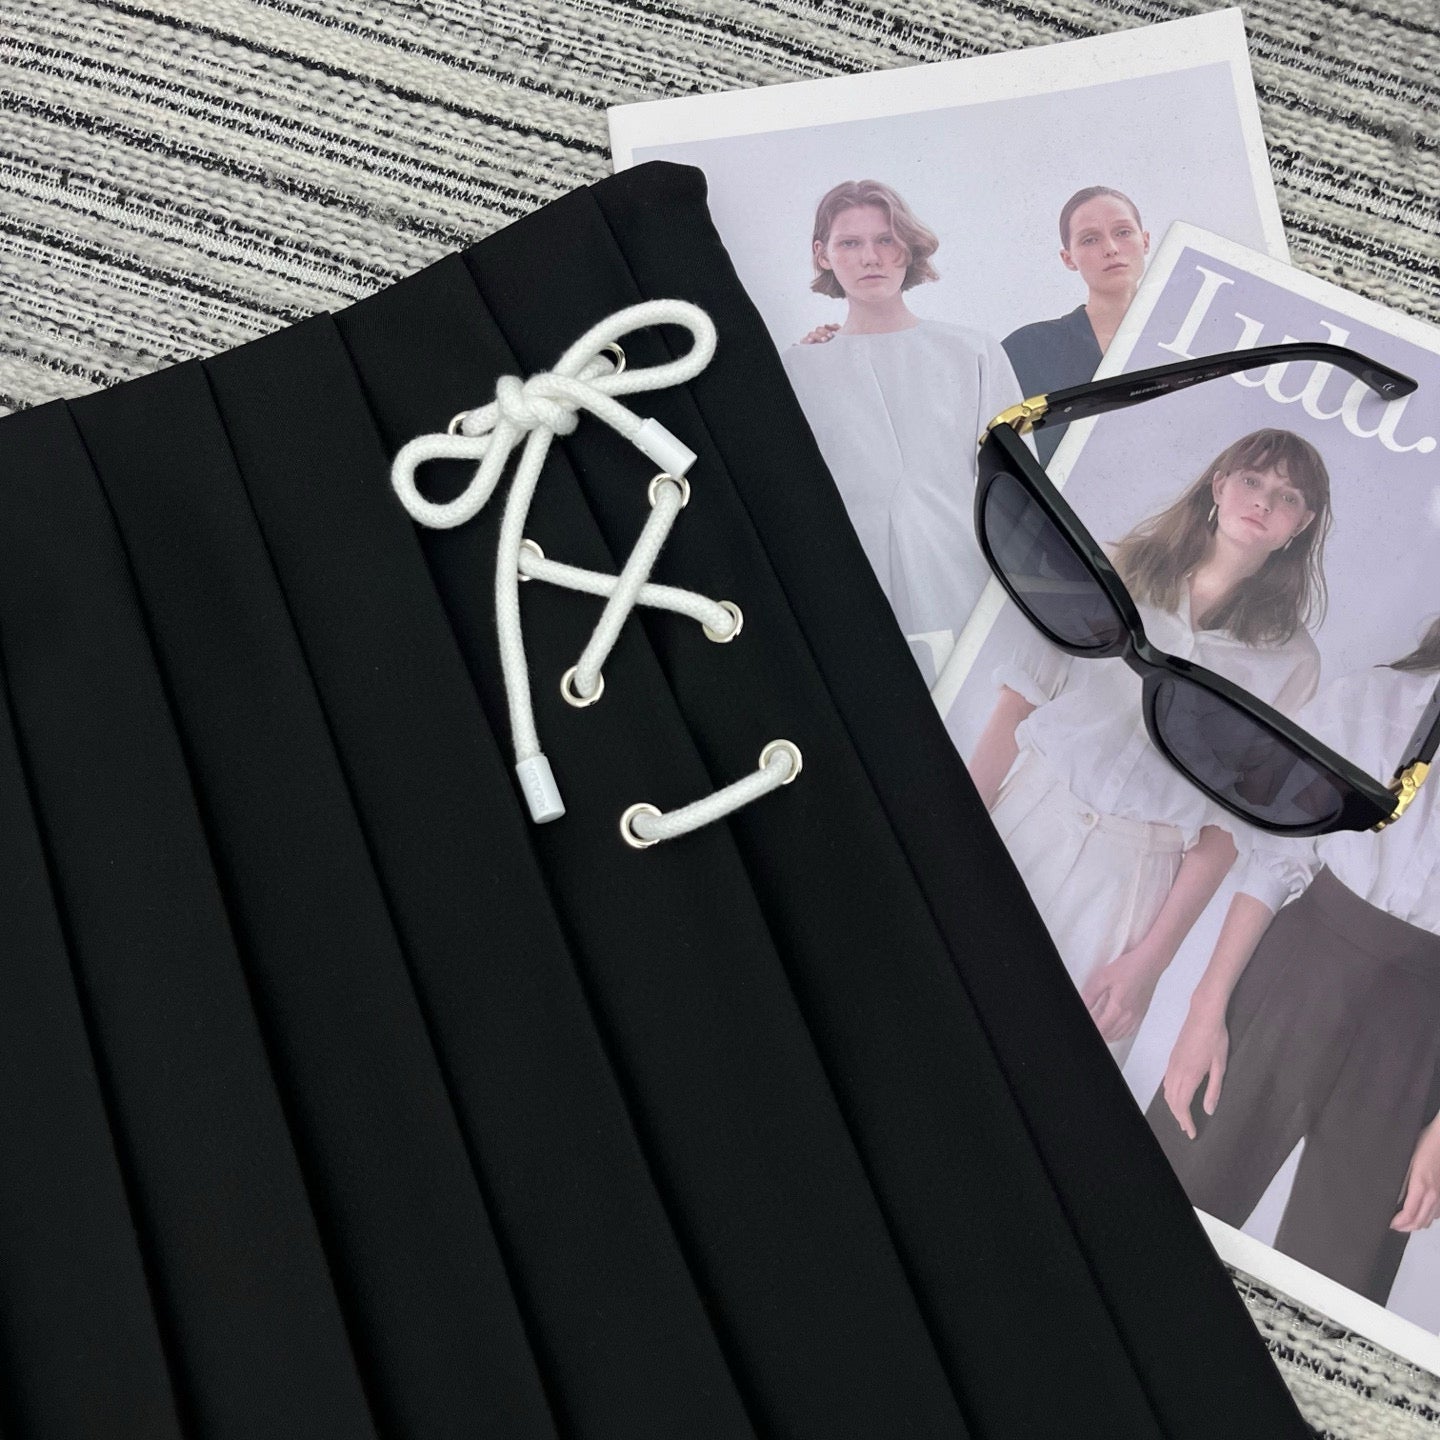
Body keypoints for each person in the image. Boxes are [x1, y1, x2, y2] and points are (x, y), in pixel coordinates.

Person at [966, 428, 1331, 1064]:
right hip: (1027, 819)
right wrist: (951, 828)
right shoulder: (1117, 569)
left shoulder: (1293, 662)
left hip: (1133, 879)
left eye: (1288, 496)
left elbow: (1228, 828)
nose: (1264, 502)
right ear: (1218, 484)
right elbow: (1018, 699)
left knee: (1046, 1065)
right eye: (1252, 480)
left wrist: (1151, 961)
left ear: (1299, 526)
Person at [1149, 617, 1440, 1307]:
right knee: (1163, 1199)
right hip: (1299, 970)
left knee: (1336, 1293)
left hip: (1419, 1029)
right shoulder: (1370, 701)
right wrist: (1204, 1009)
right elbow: (1278, 857)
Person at [780, 179, 1024, 681]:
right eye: (850, 242)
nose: (870, 257)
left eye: (886, 239)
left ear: (908, 248)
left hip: (969, 574)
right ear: (823, 254)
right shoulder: (797, 370)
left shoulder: (973, 352)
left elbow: (1019, 487)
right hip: (853, 589)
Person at [1001, 187, 1150, 465]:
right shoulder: (1028, 350)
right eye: (1090, 239)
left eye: (1123, 232)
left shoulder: (1194, 345)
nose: (1111, 248)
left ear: (1145, 241)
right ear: (1068, 258)